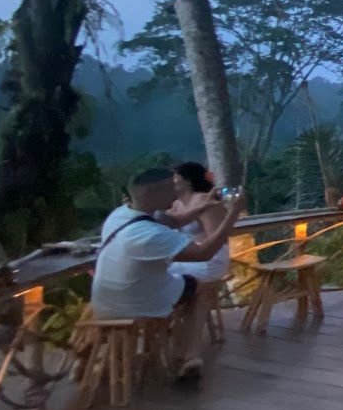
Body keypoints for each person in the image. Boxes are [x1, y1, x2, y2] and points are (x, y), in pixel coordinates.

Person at [91, 166, 241, 379]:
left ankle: (92, 360)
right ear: (155, 193)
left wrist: (204, 205)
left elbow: (174, 221)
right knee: (200, 290)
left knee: (180, 280)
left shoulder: (121, 215)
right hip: (137, 304)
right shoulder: (151, 234)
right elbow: (204, 253)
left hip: (102, 303)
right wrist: (234, 214)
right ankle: (189, 356)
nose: (176, 193)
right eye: (171, 188)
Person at [162, 161, 232, 288]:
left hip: (210, 258)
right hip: (190, 255)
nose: (170, 182)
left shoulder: (205, 201)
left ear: (188, 181)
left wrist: (193, 250)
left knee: (160, 271)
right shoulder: (176, 204)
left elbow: (218, 237)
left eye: (174, 178)